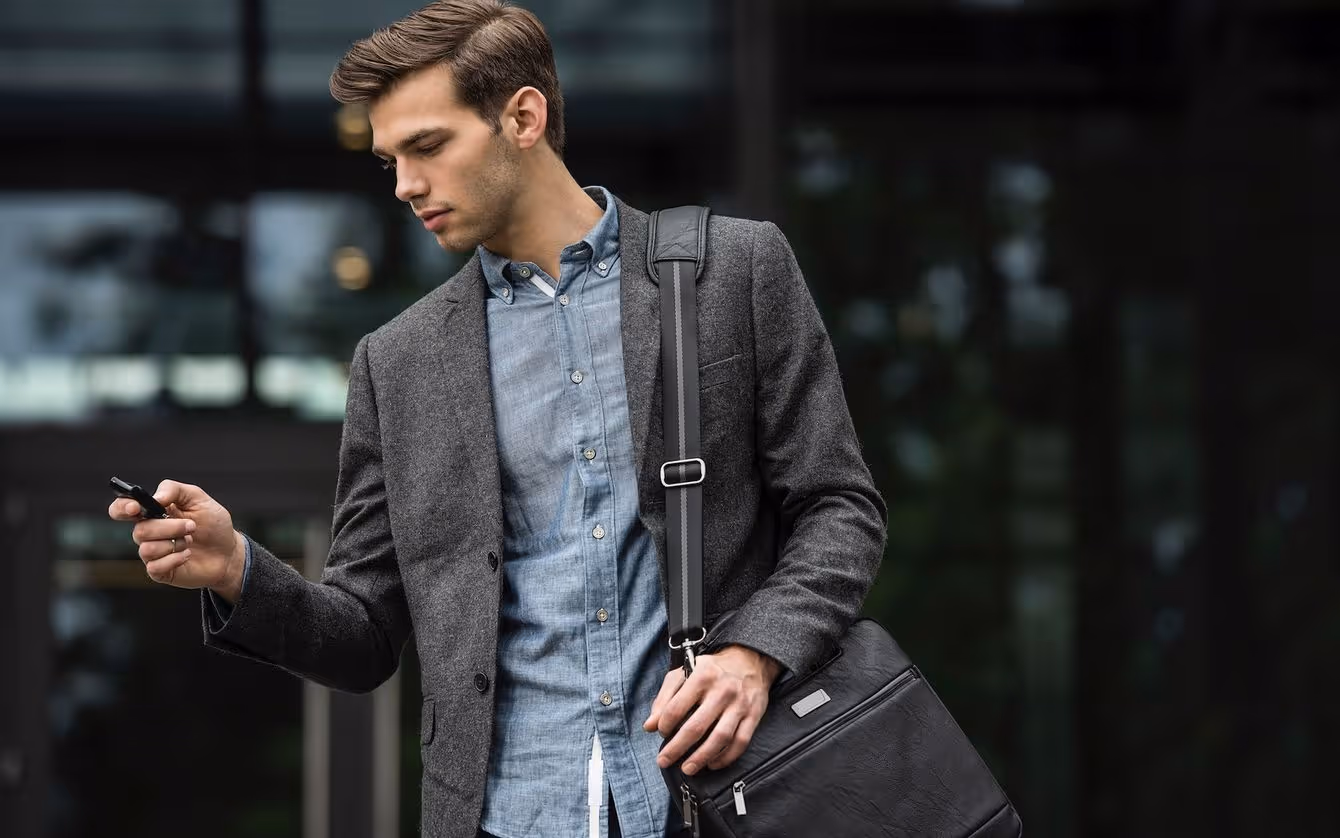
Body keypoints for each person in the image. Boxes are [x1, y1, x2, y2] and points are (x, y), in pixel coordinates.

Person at [105, 2, 886, 836]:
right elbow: (364, 635)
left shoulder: (731, 271)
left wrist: (753, 655)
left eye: (428, 146)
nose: (405, 185)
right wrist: (236, 568)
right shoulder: (397, 363)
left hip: (722, 801)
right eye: (391, 160)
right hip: (504, 817)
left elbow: (839, 508)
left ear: (522, 117)